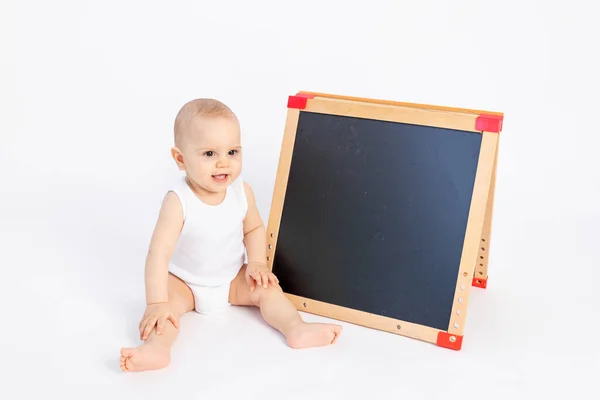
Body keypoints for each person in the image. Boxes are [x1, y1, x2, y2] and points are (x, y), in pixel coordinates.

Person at [119, 98, 342, 372]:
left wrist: (257, 263)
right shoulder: (179, 201)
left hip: (232, 278)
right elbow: (158, 255)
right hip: (185, 282)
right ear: (180, 159)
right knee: (165, 315)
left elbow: (254, 228)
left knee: (268, 290)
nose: (223, 163)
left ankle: (296, 328)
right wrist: (156, 301)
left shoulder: (241, 192)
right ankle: (157, 349)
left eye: (232, 152)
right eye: (209, 154)